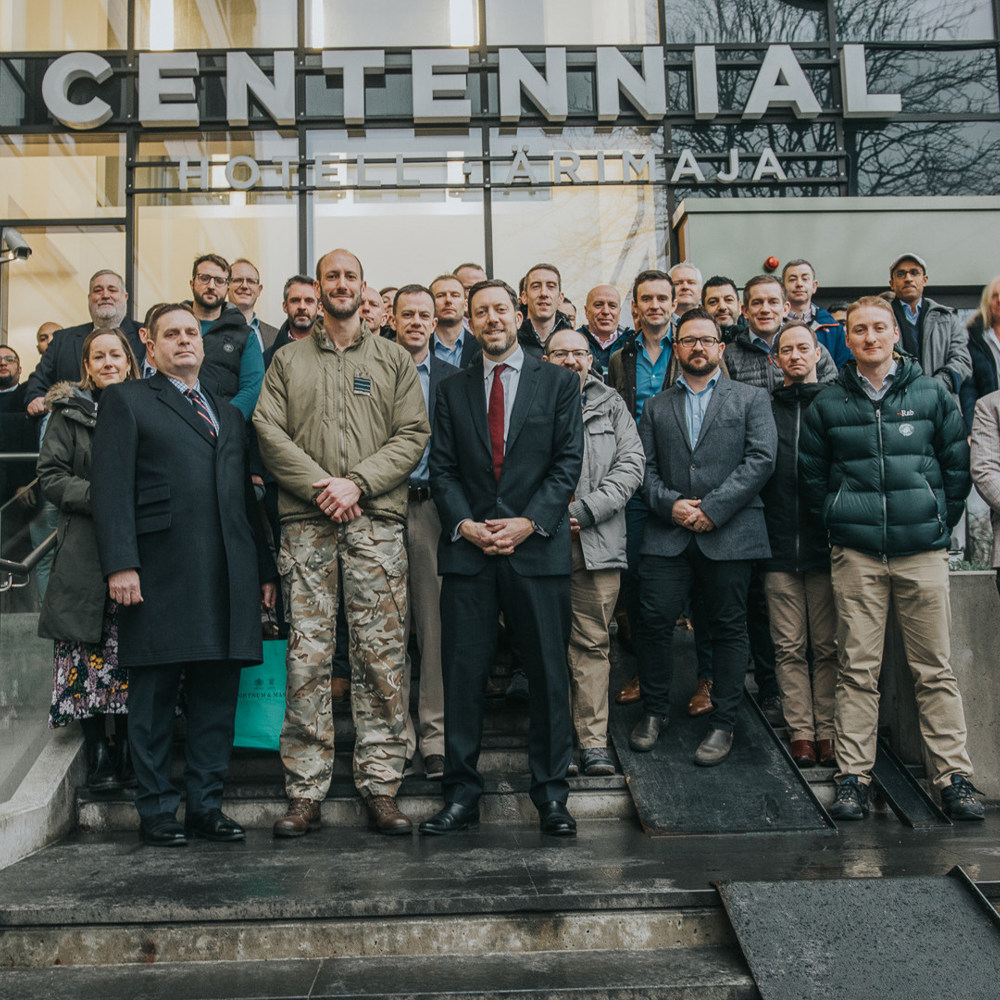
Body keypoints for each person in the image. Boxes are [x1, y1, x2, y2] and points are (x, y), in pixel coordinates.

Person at [254, 249, 430, 838]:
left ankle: (381, 785)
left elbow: (413, 434)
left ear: (362, 286)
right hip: (306, 527)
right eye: (331, 276)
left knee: (381, 658)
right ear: (318, 289)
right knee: (306, 659)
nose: (340, 284)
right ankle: (305, 791)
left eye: (349, 275)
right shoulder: (286, 361)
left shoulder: (393, 360)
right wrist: (322, 486)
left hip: (375, 526)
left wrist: (356, 483)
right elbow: (266, 430)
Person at [92, 303, 277, 846]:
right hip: (159, 572)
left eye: (191, 333)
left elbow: (245, 496)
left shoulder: (226, 410)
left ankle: (205, 806)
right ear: (149, 346)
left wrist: (264, 570)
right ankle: (155, 811)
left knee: (217, 698)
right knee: (151, 699)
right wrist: (121, 563)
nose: (184, 341)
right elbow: (110, 488)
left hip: (228, 573)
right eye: (171, 334)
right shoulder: (126, 400)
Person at [800, 296, 983, 822]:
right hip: (856, 555)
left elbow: (956, 468)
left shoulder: (931, 393)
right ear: (848, 338)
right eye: (860, 330)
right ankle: (853, 776)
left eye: (880, 328)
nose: (871, 337)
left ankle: (953, 777)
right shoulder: (828, 404)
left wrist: (933, 523)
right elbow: (813, 480)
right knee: (857, 668)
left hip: (921, 553)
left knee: (934, 669)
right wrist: (839, 525)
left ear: (895, 335)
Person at [420, 279, 584, 837]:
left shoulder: (559, 382)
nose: (491, 319)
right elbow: (440, 468)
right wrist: (464, 525)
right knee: (462, 677)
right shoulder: (450, 388)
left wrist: (528, 522)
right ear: (469, 320)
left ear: (517, 316)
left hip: (535, 550)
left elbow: (567, 462)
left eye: (499, 310)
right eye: (480, 311)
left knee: (547, 676)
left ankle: (552, 797)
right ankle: (461, 794)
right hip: (469, 553)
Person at [631, 309, 776, 765]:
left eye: (706, 340)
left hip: (730, 531)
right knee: (652, 624)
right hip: (666, 532)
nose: (698, 347)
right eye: (689, 340)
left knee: (729, 628)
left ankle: (723, 723)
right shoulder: (655, 407)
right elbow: (643, 468)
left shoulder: (751, 398)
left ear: (720, 347)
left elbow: (761, 460)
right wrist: (670, 504)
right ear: (677, 349)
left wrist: (713, 509)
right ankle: (654, 712)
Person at [37, 329, 140, 790]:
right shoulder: (68, 414)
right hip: (84, 548)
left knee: (136, 652)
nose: (108, 362)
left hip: (141, 547)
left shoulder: (147, 404)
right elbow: (51, 477)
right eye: (98, 356)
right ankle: (99, 751)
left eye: (115, 354)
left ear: (131, 359)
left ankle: (134, 750)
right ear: (87, 365)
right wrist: (105, 496)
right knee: (86, 650)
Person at [543, 328, 643, 776]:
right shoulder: (529, 400)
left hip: (595, 542)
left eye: (579, 353)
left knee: (591, 643)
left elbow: (631, 465)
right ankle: (555, 743)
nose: (570, 360)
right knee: (543, 646)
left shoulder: (612, 404)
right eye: (560, 353)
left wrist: (585, 510)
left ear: (590, 359)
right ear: (545, 358)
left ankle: (593, 742)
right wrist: (544, 516)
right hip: (537, 542)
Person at [760, 323, 837, 769]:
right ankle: (801, 733)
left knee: (827, 646)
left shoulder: (835, 403)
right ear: (775, 360)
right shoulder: (764, 407)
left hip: (827, 544)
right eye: (785, 350)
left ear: (817, 354)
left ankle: (828, 730)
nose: (794, 356)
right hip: (776, 544)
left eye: (802, 348)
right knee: (788, 645)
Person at [391, 284, 457, 780]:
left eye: (424, 315)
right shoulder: (371, 372)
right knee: (389, 631)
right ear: (392, 320)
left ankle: (433, 737)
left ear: (437, 323)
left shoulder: (456, 378)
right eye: (407, 314)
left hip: (434, 509)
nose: (416, 321)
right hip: (383, 508)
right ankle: (396, 739)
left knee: (433, 631)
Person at [25, 271, 143, 415]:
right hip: (71, 429)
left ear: (125, 297)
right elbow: (38, 382)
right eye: (98, 291)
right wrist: (36, 399)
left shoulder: (145, 336)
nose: (105, 295)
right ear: (89, 298)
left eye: (112, 290)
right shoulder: (62, 340)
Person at [724, 274, 837, 391]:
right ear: (745, 311)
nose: (765, 310)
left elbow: (831, 395)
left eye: (773, 302)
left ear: (785, 309)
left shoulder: (812, 349)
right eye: (757, 303)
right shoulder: (728, 356)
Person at [187, 253, 264, 420]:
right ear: (192, 283)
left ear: (227, 286)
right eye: (204, 278)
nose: (211, 286)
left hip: (222, 430)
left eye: (219, 281)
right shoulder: (172, 325)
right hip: (173, 425)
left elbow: (252, 389)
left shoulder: (244, 334)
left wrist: (221, 421)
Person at [888, 252, 971, 396]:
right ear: (892, 284)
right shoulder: (880, 317)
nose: (908, 278)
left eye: (914, 273)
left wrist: (937, 386)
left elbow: (962, 359)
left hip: (941, 401)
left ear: (924, 280)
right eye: (901, 274)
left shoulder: (947, 317)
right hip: (894, 401)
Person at [781, 259, 851, 369]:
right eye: (792, 279)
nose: (799, 284)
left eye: (805, 279)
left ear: (814, 286)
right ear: (783, 288)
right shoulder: (772, 325)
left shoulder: (833, 327)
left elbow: (844, 367)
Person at [959, 276, 1000, 433]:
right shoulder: (974, 339)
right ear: (987, 302)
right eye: (994, 296)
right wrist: (971, 429)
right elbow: (969, 389)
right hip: (989, 422)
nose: (999, 300)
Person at [262, 275, 322, 367]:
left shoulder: (337, 349)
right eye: (295, 300)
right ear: (285, 306)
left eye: (309, 301)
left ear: (319, 308)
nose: (302, 307)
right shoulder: (268, 358)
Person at [519, 263, 573, 354]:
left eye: (551, 286)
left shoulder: (574, 342)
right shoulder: (510, 342)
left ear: (560, 298)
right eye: (536, 286)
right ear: (524, 297)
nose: (543, 293)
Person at [579, 284, 633, 374]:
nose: (606, 311)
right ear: (586, 311)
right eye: (598, 305)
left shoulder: (633, 343)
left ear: (619, 311)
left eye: (612, 306)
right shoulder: (573, 342)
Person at [228, 258, 279, 352]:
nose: (244, 286)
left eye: (251, 281)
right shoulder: (214, 327)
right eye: (238, 280)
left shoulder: (275, 336)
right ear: (227, 286)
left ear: (259, 290)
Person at [430, 274, 480, 368]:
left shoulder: (481, 347)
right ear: (430, 304)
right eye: (440, 295)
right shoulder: (419, 347)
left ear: (465, 304)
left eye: (455, 295)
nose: (448, 300)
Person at [701, 276, 746, 344]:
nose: (722, 307)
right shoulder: (694, 344)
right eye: (713, 302)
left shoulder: (756, 341)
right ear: (703, 310)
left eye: (728, 300)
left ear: (739, 307)